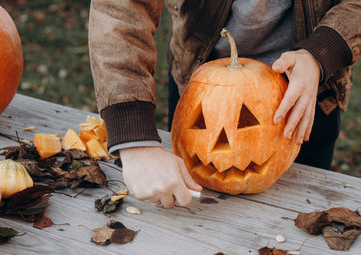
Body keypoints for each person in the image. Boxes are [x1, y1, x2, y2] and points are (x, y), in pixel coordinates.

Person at [88, 0, 360, 208]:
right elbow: (120, 9)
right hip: (199, 85)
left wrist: (324, 51)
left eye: (245, 122)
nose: (223, 144)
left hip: (308, 92)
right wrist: (135, 139)